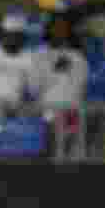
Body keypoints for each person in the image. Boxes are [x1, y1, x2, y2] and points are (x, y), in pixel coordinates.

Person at [31, 11, 89, 157]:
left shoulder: (78, 58)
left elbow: (80, 87)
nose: (59, 31)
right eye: (55, 27)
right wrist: (53, 70)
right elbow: (34, 87)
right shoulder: (37, 56)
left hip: (71, 113)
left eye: (63, 27)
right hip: (47, 113)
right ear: (48, 30)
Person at [0, 14, 37, 115]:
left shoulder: (29, 58)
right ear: (3, 35)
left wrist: (20, 105)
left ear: (23, 38)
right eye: (9, 35)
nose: (13, 39)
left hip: (17, 108)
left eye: (17, 35)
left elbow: (32, 90)